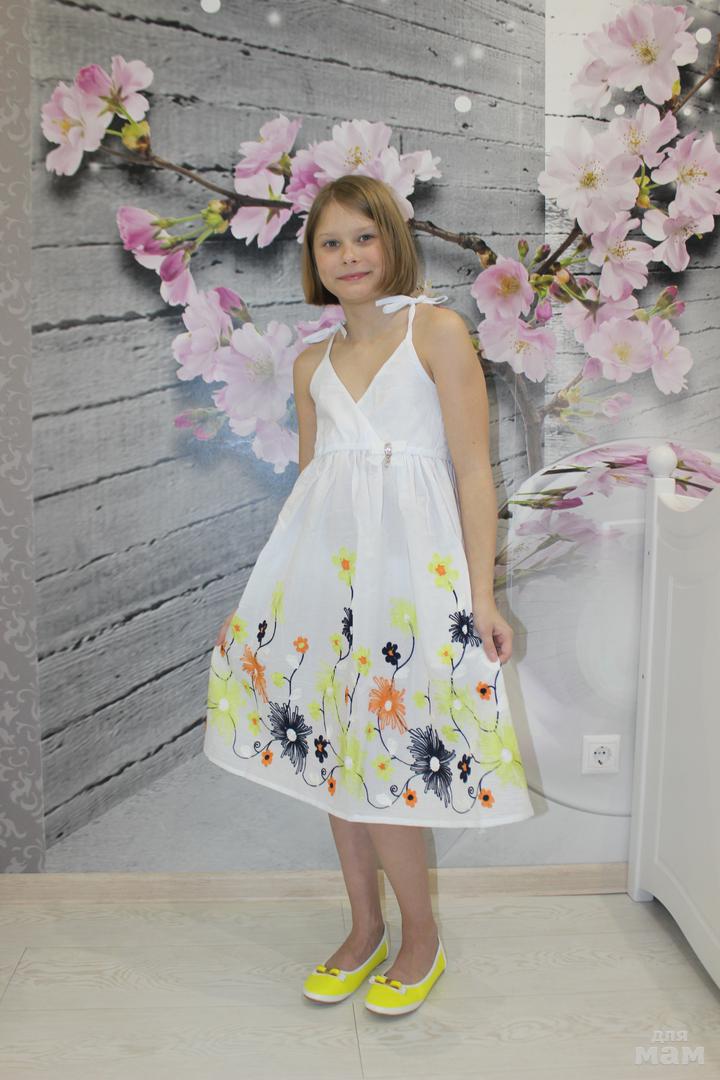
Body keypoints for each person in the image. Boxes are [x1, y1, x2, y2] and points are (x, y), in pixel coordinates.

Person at [204, 174, 534, 1015]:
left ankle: (420, 936)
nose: (349, 255)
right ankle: (363, 929)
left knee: (386, 754)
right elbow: (313, 489)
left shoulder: (438, 332)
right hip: (324, 587)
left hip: (410, 586)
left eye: (363, 236)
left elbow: (473, 471)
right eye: (330, 242)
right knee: (330, 755)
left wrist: (483, 597)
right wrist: (267, 607)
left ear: (392, 241)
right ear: (313, 259)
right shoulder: (310, 364)